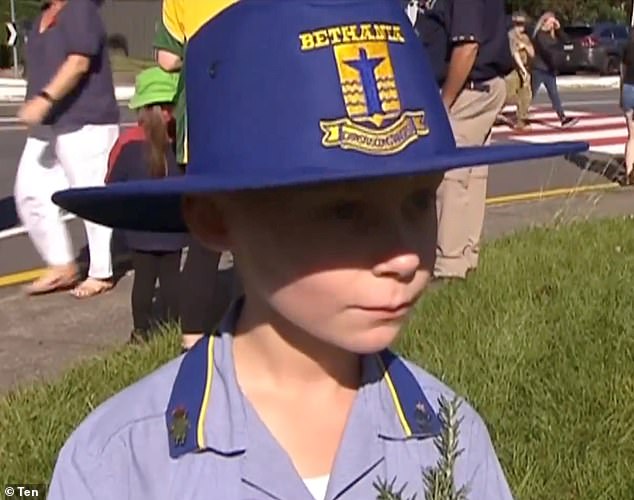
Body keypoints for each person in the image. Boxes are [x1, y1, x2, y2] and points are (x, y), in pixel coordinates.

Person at [47, 1, 586, 498]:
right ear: (214, 217)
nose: (403, 256)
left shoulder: (453, 442)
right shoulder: (118, 466)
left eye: (421, 202)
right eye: (344, 212)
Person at [152, 0, 242, 352]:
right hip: (251, 123)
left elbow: (167, 58)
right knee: (254, 235)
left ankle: (192, 339)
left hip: (200, 127)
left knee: (204, 240)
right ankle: (249, 332)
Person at [14, 0, 119, 298]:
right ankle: (62, 265)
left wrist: (43, 100)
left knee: (90, 197)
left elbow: (79, 62)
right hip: (50, 125)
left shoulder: (79, 8)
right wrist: (33, 105)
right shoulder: (41, 18)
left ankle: (102, 272)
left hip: (86, 120)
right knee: (31, 192)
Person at [414, 0, 513, 282]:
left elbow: (468, 48)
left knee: (451, 176)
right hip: (481, 86)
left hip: (467, 89)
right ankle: (466, 256)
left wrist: (444, 102)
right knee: (473, 174)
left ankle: (449, 265)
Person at [105, 67, 188, 343]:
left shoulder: (128, 142)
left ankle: (140, 332)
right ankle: (174, 328)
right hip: (175, 225)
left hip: (139, 227)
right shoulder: (182, 142)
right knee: (172, 279)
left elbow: (112, 181)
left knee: (143, 280)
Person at [530, 11, 578, 128]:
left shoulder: (554, 35)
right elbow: (547, 50)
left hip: (550, 70)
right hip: (539, 69)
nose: (552, 25)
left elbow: (567, 41)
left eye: (554, 22)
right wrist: (558, 51)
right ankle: (518, 114)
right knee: (530, 94)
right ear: (544, 22)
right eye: (551, 22)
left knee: (554, 95)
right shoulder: (539, 35)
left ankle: (563, 118)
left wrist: (559, 29)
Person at [504, 11, 534, 130]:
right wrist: (523, 70)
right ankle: (492, 113)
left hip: (525, 69)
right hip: (514, 69)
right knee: (507, 94)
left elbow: (532, 53)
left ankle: (522, 120)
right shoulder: (511, 35)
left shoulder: (525, 37)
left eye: (522, 24)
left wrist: (525, 46)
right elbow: (514, 54)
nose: (520, 27)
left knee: (526, 94)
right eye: (517, 24)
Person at [619, 30, 634, 186]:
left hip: (628, 89)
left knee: (632, 136)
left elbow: (622, 73)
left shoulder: (627, 45)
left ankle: (629, 173)